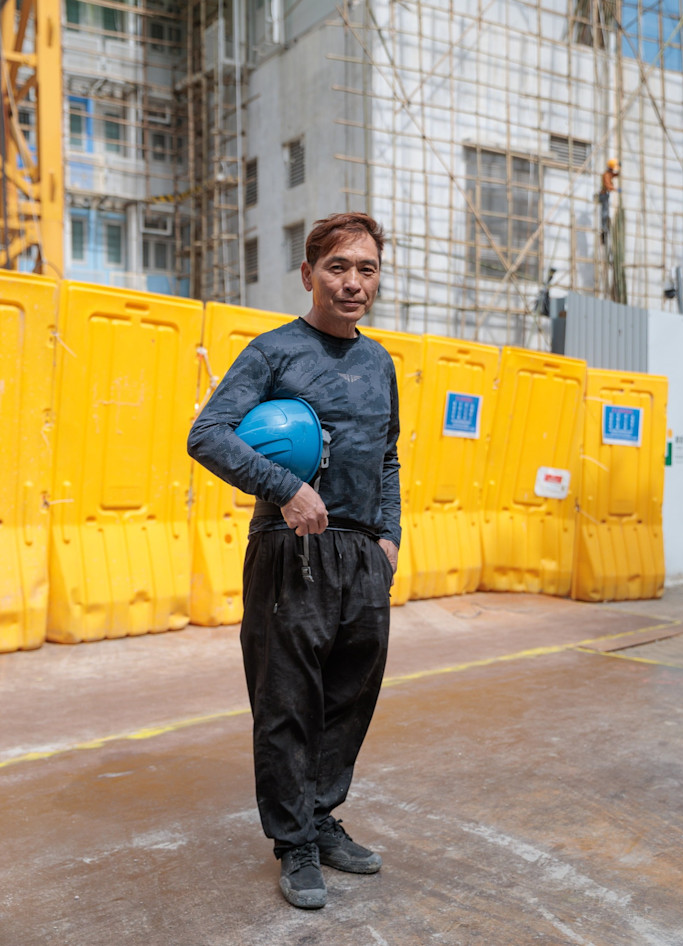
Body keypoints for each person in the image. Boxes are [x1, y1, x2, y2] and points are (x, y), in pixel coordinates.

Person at [187, 212, 400, 910]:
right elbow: (208, 435)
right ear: (309, 275)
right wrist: (286, 487)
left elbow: (390, 455)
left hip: (362, 554)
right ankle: (294, 843)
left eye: (365, 269)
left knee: (348, 699)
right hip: (291, 549)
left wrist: (389, 537)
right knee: (287, 705)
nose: (352, 282)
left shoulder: (379, 362)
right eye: (338, 267)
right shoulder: (274, 352)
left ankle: (322, 817)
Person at [599, 158, 620, 244]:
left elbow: (615, 174)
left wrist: (619, 169)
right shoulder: (606, 175)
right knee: (604, 213)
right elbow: (608, 185)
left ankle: (605, 228)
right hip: (603, 195)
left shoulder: (609, 174)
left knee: (606, 212)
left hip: (606, 195)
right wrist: (615, 189)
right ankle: (604, 230)